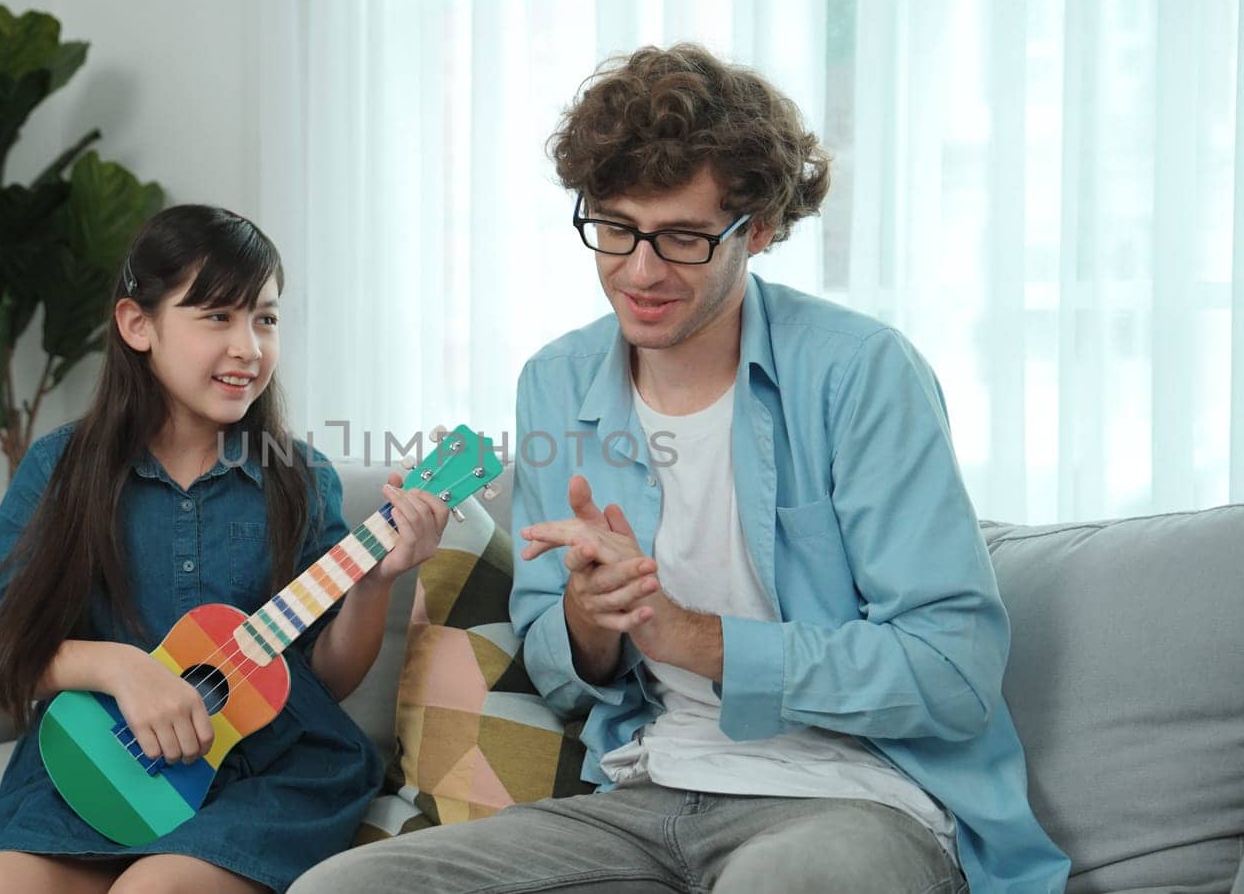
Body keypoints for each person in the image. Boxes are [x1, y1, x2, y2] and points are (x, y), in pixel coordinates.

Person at [292, 44, 1068, 893]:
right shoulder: (557, 382)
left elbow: (951, 673)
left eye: (684, 238)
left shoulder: (861, 374)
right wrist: (594, 620)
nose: (640, 270)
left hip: (856, 799)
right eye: (616, 227)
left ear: (759, 228)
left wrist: (690, 634)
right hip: (645, 791)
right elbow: (560, 672)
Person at [0, 204, 450, 894]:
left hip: (268, 768)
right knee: (4, 886)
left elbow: (323, 680)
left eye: (266, 318)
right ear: (138, 325)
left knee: (153, 891)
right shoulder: (58, 469)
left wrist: (376, 583)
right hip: (109, 760)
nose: (249, 347)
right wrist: (120, 669)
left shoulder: (300, 478)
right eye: (217, 316)